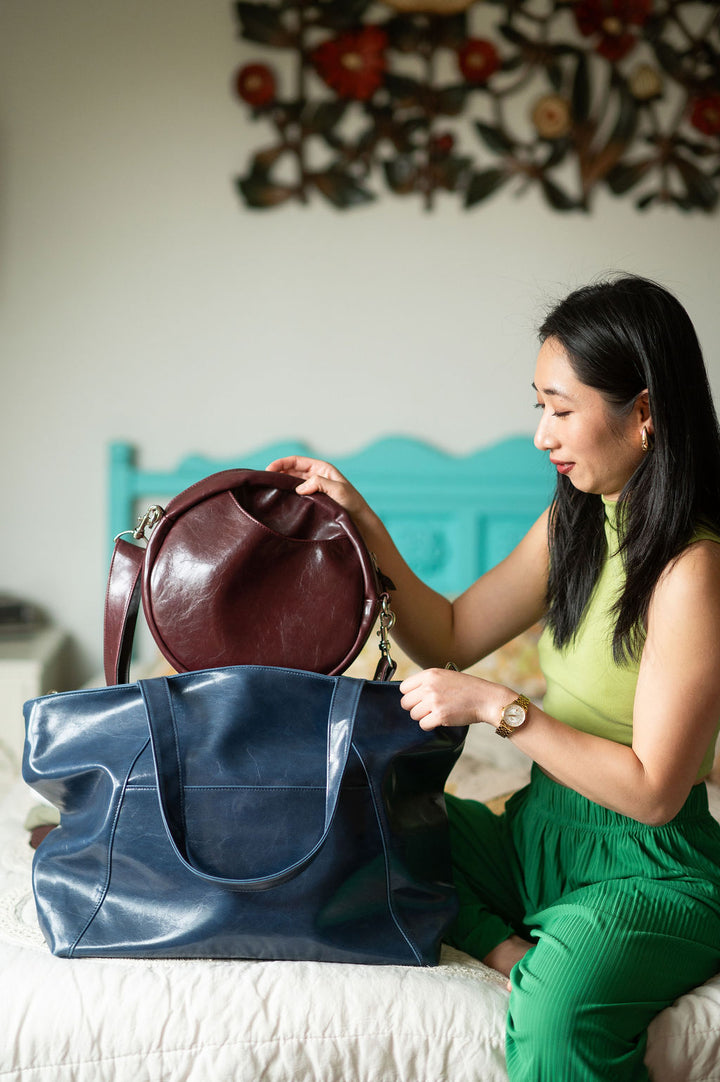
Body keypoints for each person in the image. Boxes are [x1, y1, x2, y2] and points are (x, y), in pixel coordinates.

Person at [267, 274, 720, 1082]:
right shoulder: (576, 518)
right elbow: (448, 632)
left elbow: (655, 791)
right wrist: (363, 525)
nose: (543, 434)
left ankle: (538, 962)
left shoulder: (693, 569)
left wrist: (502, 710)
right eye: (538, 405)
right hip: (538, 831)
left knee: (557, 1021)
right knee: (357, 822)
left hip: (649, 867)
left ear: (644, 414)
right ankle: (519, 946)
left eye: (562, 407)